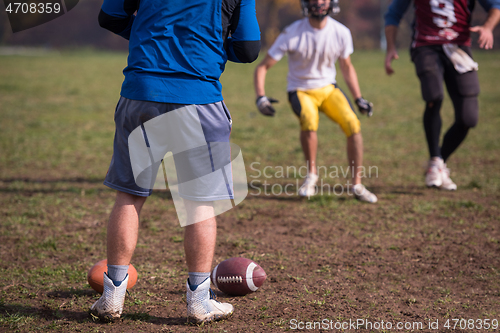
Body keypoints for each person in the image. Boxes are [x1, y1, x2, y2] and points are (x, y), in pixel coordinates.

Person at [92, 0, 260, 324]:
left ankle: (112, 297)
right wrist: (208, 48)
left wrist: (148, 37)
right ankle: (199, 302)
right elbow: (248, 47)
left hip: (141, 90)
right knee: (199, 203)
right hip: (199, 96)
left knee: (129, 195)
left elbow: (109, 16)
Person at [253, 0, 377, 203]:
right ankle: (311, 175)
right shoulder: (292, 32)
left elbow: (346, 67)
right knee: (309, 120)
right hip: (300, 90)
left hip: (328, 89)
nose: (318, 2)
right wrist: (260, 97)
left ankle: (357, 184)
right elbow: (262, 67)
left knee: (353, 124)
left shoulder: (341, 32)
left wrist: (358, 98)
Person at [384, 0, 500, 190]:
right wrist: (390, 48)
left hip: (458, 46)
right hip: (425, 46)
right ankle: (435, 161)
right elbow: (393, 13)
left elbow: (496, 5)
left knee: (468, 118)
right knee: (434, 96)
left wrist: (488, 27)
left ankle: (438, 162)